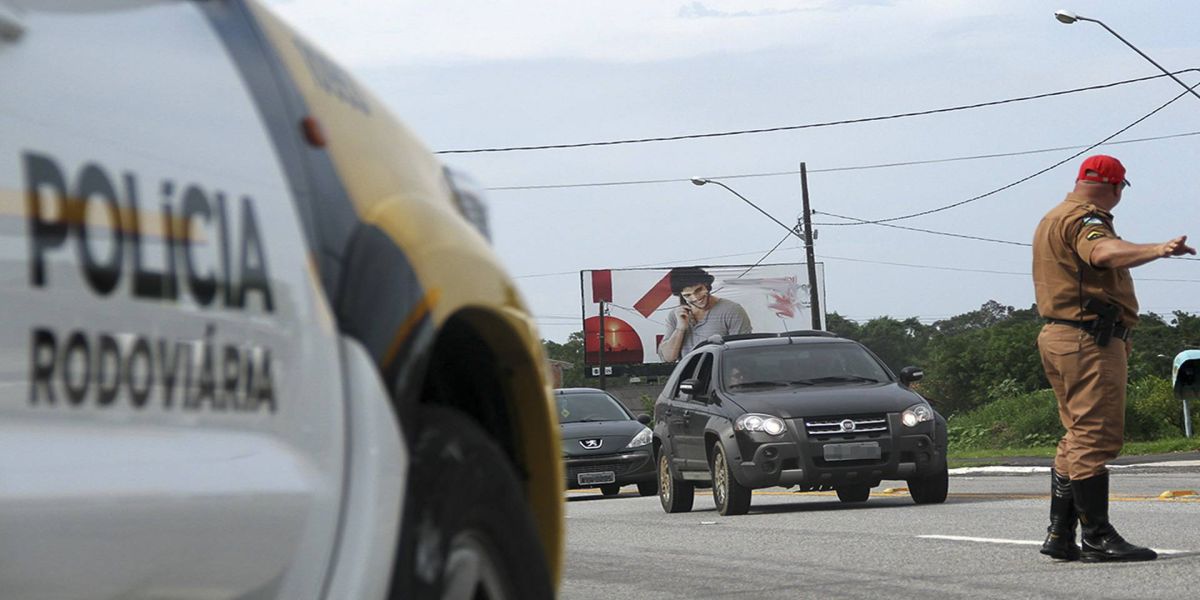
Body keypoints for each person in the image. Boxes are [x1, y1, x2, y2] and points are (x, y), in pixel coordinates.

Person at [1032, 155, 1195, 563]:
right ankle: (1098, 537)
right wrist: (1157, 249)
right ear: (1116, 186)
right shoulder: (1087, 220)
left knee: (1076, 434)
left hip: (1062, 336)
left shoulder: (1053, 217)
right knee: (1096, 437)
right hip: (1088, 339)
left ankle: (1060, 533)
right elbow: (1103, 253)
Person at [657, 267, 751, 362]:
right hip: (688, 375)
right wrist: (680, 328)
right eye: (688, 295)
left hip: (719, 373)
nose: (696, 298)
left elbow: (741, 353)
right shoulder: (676, 315)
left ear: (707, 285)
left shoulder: (732, 310)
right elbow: (668, 358)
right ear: (681, 296)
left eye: (699, 290)